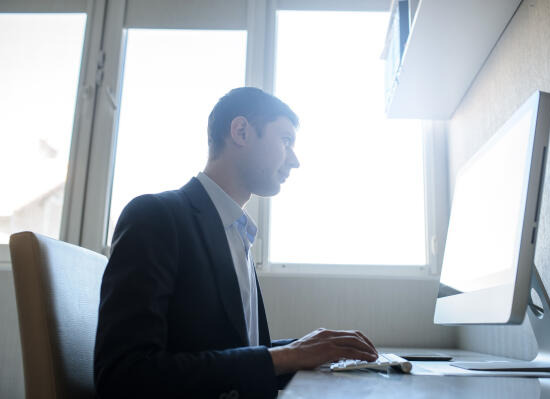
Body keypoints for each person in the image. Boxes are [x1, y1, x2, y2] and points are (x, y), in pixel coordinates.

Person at [94, 87, 378, 398]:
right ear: (241, 131)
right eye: (285, 140)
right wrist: (287, 356)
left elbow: (229, 350)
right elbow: (125, 375)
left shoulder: (236, 230)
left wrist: (310, 349)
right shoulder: (156, 217)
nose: (294, 161)